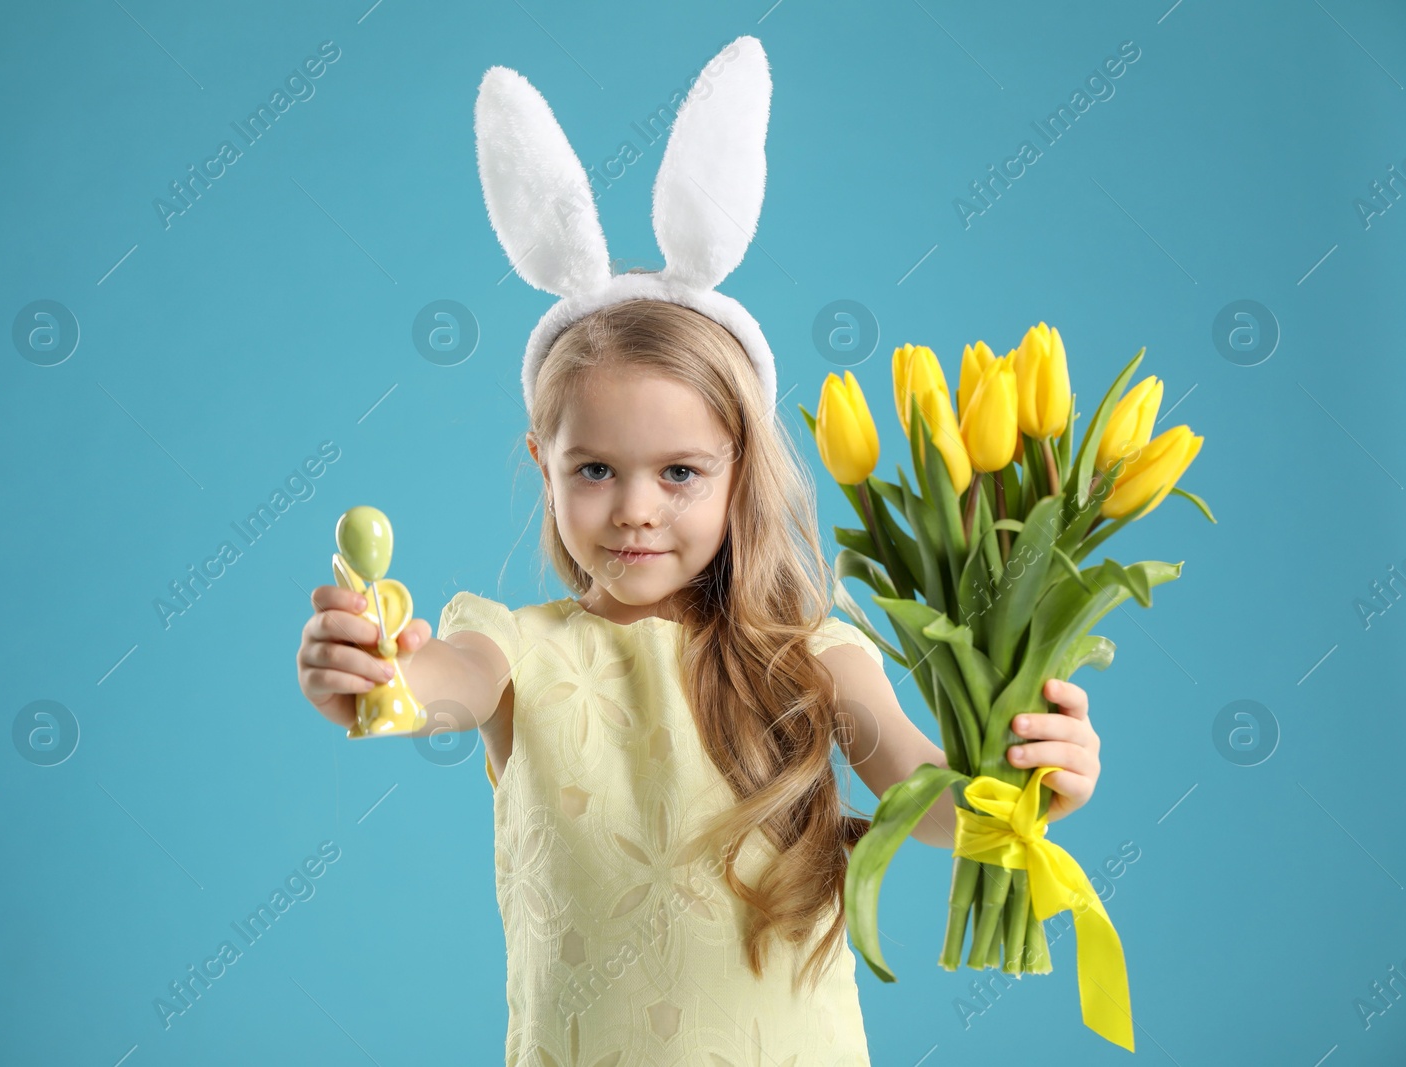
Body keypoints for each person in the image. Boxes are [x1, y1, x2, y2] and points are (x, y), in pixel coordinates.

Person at [296, 36, 1102, 1065]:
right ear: (543, 461)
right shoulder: (511, 646)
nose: (635, 508)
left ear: (738, 466)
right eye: (594, 469)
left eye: (679, 472)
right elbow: (439, 684)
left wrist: (1036, 784)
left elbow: (929, 803)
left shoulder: (812, 652)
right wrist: (378, 669)